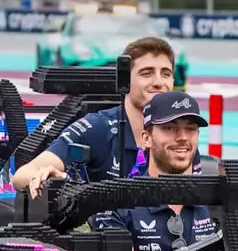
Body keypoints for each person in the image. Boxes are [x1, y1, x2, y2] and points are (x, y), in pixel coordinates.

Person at [12, 36, 178, 195]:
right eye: (147, 73)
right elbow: (21, 176)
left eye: (166, 73)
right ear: (125, 80)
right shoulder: (96, 127)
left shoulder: (184, 132)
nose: (158, 82)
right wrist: (54, 181)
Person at [89, 91, 227, 251]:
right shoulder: (117, 204)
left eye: (191, 129)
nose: (182, 137)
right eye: (170, 128)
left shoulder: (218, 199)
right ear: (146, 138)